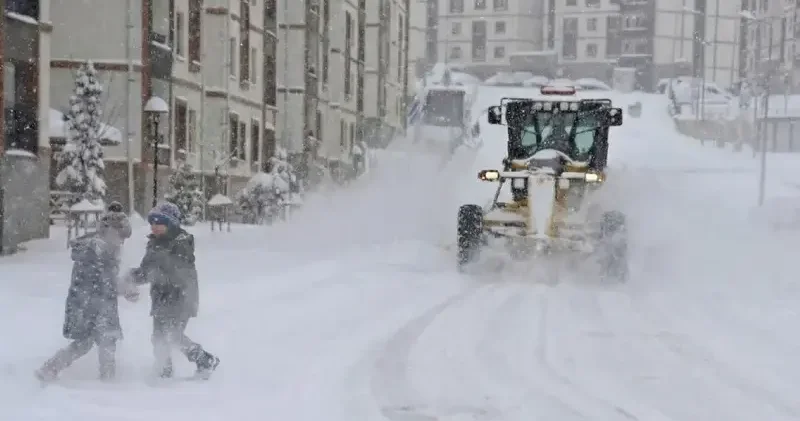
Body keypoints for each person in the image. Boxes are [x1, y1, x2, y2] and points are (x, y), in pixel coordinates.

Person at [35, 206, 134, 382]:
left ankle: (52, 368)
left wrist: (122, 286)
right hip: (88, 303)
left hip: (92, 302)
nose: (122, 242)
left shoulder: (106, 247)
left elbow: (106, 279)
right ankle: (108, 381)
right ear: (109, 231)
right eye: (121, 236)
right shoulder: (94, 250)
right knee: (103, 340)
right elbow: (99, 280)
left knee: (91, 342)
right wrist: (122, 288)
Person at [127, 202, 220, 379]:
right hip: (161, 298)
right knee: (158, 337)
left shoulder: (181, 243)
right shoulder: (154, 243)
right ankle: (164, 369)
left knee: (173, 335)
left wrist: (152, 274)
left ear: (171, 224)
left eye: (159, 222)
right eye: (152, 222)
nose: (154, 226)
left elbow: (176, 272)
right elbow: (146, 271)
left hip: (181, 297)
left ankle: (205, 360)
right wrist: (129, 277)